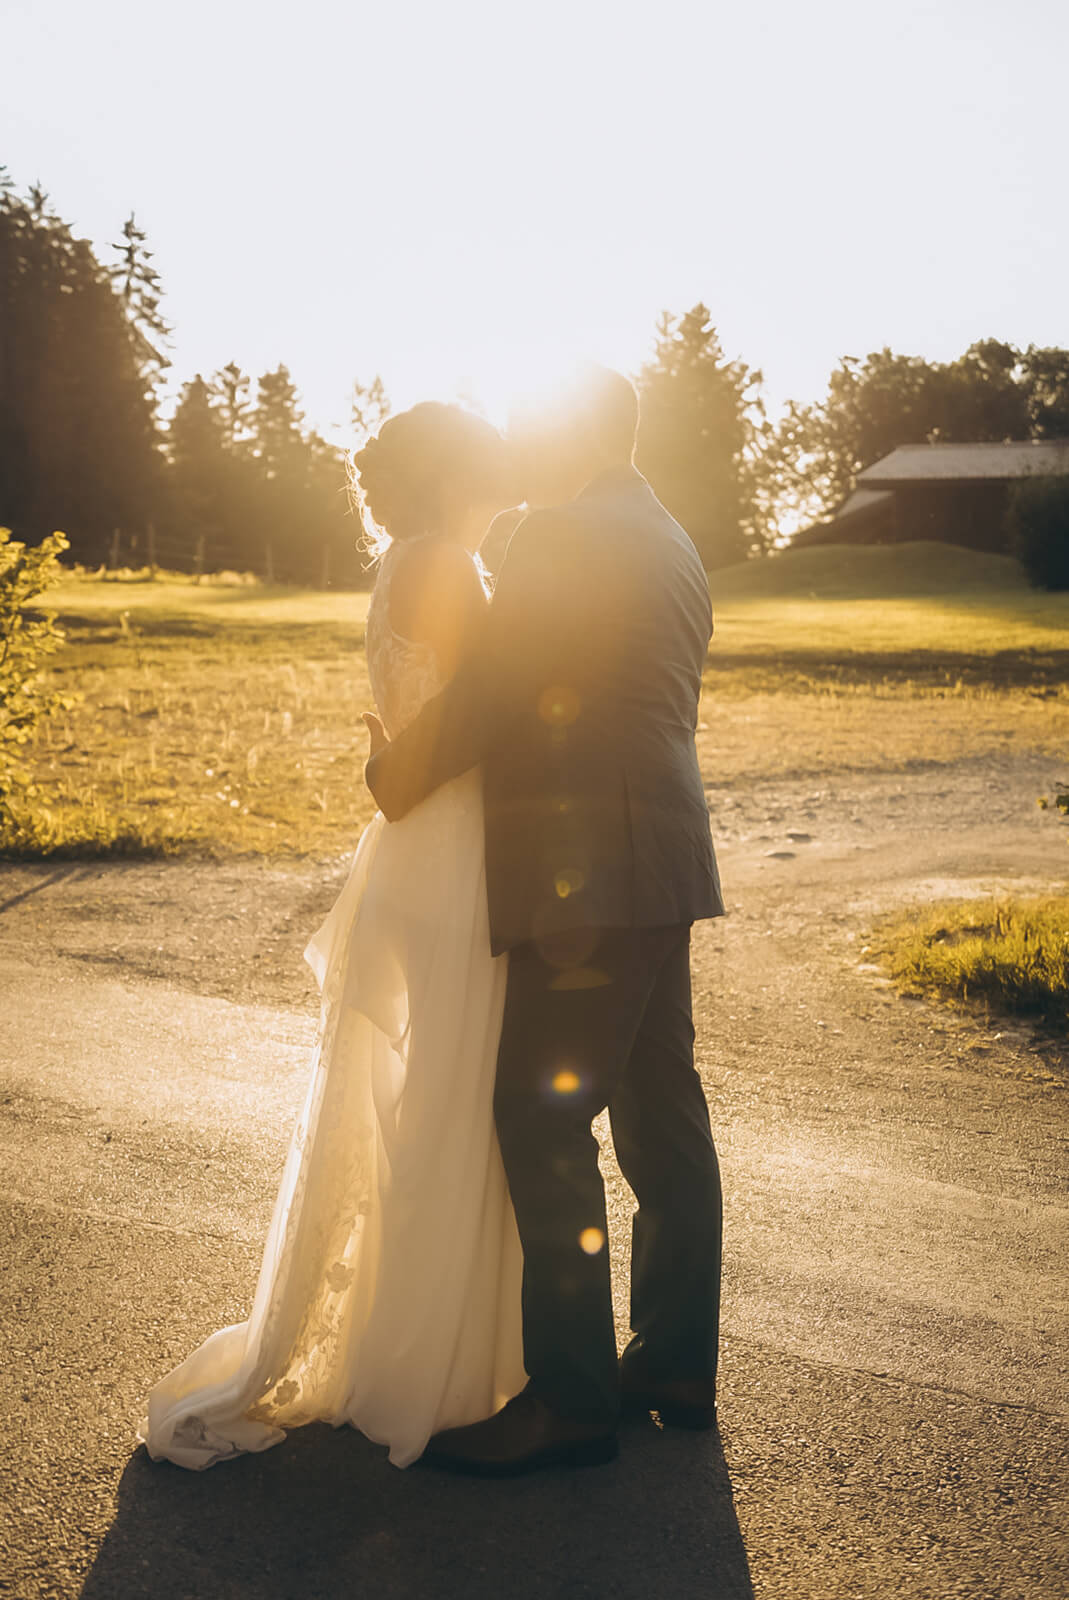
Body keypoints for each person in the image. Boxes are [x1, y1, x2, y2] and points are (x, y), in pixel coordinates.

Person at [140, 401, 528, 1470]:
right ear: (458, 473)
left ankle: (404, 1344)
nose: (509, 469)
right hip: (446, 854)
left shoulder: (414, 556)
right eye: (492, 456)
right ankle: (424, 1365)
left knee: (421, 1105)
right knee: (443, 1105)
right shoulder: (444, 562)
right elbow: (484, 712)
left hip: (423, 852)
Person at [365, 366, 725, 1477]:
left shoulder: (560, 538)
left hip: (588, 875)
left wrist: (394, 774)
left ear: (568, 433)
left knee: (540, 1115)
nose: (515, 440)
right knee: (662, 1117)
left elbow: (495, 692)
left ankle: (570, 1400)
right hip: (667, 858)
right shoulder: (671, 538)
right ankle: (670, 1361)